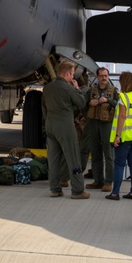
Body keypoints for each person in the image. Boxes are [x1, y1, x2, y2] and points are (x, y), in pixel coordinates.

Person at [43, 59, 90, 199]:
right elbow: (81, 103)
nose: (73, 76)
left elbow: (44, 108)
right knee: (73, 157)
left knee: (54, 159)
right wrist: (76, 89)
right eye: (72, 74)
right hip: (65, 126)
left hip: (50, 125)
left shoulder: (47, 88)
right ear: (68, 73)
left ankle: (55, 188)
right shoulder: (68, 88)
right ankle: (77, 190)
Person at [106, 70, 132, 201]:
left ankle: (115, 193)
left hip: (124, 136)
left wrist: (117, 135)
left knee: (119, 165)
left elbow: (122, 116)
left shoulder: (123, 98)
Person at [83, 67, 116, 192]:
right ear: (97, 77)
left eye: (106, 76)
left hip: (106, 125)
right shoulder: (92, 90)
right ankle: (98, 180)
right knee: (95, 154)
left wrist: (107, 100)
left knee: (108, 154)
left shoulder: (113, 91)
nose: (104, 78)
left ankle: (108, 182)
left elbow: (118, 104)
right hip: (93, 124)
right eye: (101, 76)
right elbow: (83, 103)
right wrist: (90, 103)